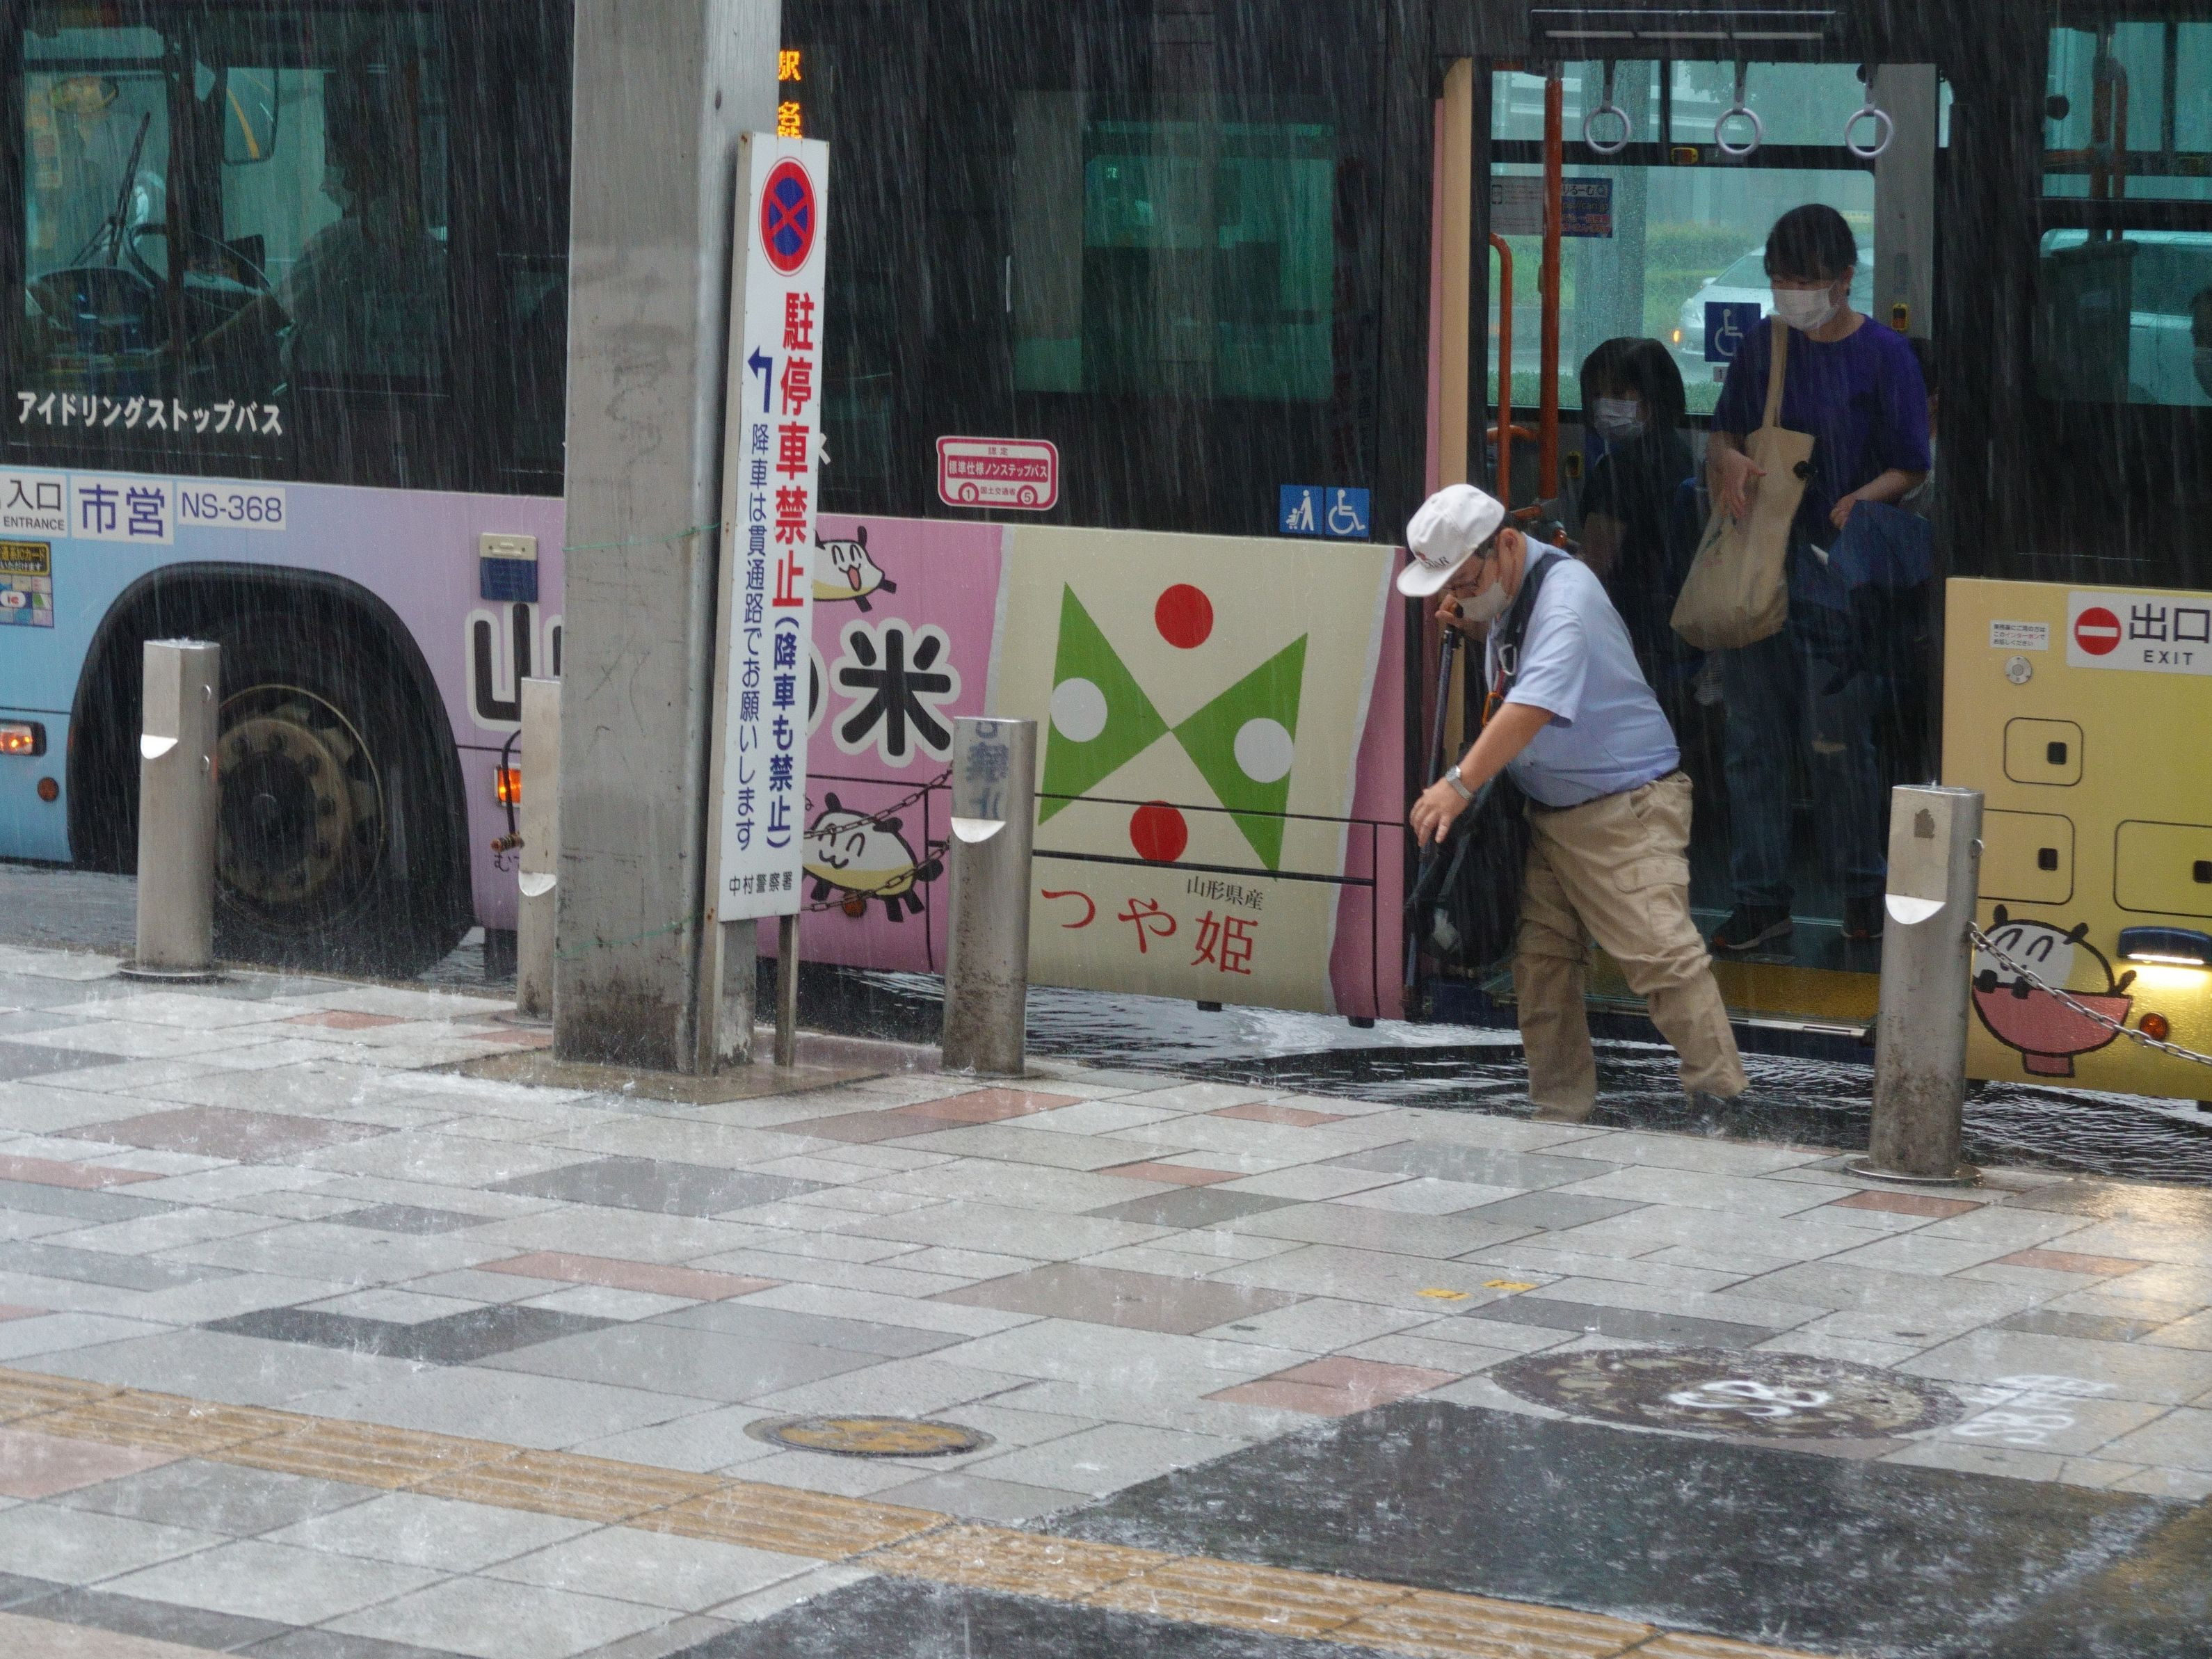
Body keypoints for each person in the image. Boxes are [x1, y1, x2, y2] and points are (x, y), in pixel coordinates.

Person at [1404, 483, 1747, 1122]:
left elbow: (1531, 706)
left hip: (1625, 808)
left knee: (1662, 958)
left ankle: (1723, 1102)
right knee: (1542, 967)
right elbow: (1516, 660)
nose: (1461, 594)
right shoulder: (1512, 590)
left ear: (1506, 544)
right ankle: (1559, 1110)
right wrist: (1475, 619)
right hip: (1550, 809)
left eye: (1465, 581)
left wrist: (1459, 782)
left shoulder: (1568, 598)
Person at [1705, 204, 1929, 955]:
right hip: (1759, 566)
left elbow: (1912, 465)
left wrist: (1863, 497)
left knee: (1838, 742)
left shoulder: (1886, 356)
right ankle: (1759, 897)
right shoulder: (1764, 347)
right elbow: (1723, 433)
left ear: (1843, 279)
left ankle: (1862, 889)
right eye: (1781, 279)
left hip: (1842, 576)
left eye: (1805, 280)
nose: (1791, 294)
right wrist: (1728, 461)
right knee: (1752, 741)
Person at [1576, 337, 1698, 692]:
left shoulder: (1619, 472)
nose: (1603, 404)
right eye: (1597, 394)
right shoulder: (1682, 456)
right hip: (1676, 621)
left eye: (1617, 392)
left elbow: (1591, 570)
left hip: (1630, 627)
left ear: (1652, 398)